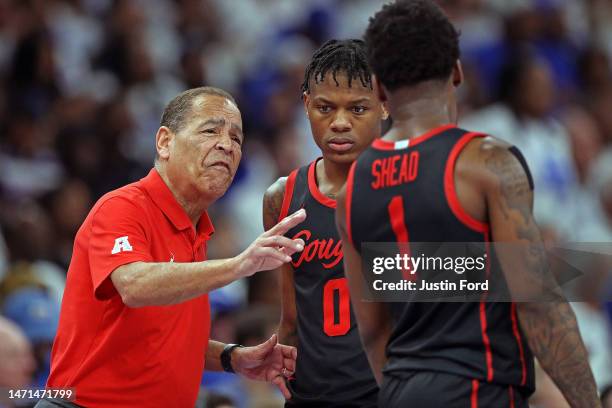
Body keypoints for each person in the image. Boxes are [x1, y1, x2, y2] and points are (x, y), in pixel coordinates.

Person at [335, 1, 601, 407]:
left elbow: (371, 331)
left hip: (397, 391)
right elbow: (537, 302)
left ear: (377, 87)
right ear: (456, 71)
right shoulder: (485, 162)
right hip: (478, 388)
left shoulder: (351, 188)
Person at [38, 87, 307, 408]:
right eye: (210, 130)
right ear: (165, 142)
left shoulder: (197, 231)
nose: (227, 145)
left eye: (237, 138)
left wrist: (232, 358)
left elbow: (162, 337)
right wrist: (239, 265)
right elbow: (134, 285)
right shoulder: (121, 208)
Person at [263, 39, 385, 407]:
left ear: (384, 104)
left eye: (358, 108)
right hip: (310, 396)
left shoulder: (412, 192)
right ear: (306, 105)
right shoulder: (281, 198)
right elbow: (291, 319)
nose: (340, 123)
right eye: (325, 108)